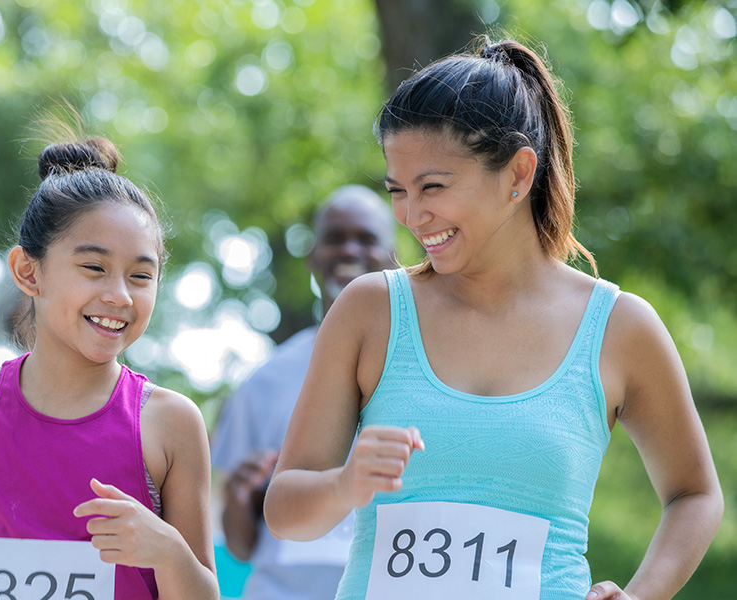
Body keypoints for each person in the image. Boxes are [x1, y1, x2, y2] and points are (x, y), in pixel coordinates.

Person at [263, 36, 723, 600]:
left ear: (517, 174)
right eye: (397, 191)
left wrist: (643, 593)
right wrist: (344, 484)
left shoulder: (620, 327)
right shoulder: (370, 310)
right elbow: (285, 510)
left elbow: (695, 495)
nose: (411, 214)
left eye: (433, 186)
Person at [0, 132, 219, 600]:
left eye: (141, 276)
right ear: (28, 272)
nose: (119, 294)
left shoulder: (171, 423)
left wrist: (169, 552)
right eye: (94, 267)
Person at [210, 185, 396, 600]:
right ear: (313, 254)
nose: (349, 250)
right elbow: (240, 547)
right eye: (334, 238)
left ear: (394, 256)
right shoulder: (264, 382)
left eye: (366, 239)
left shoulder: (426, 373)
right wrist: (241, 495)